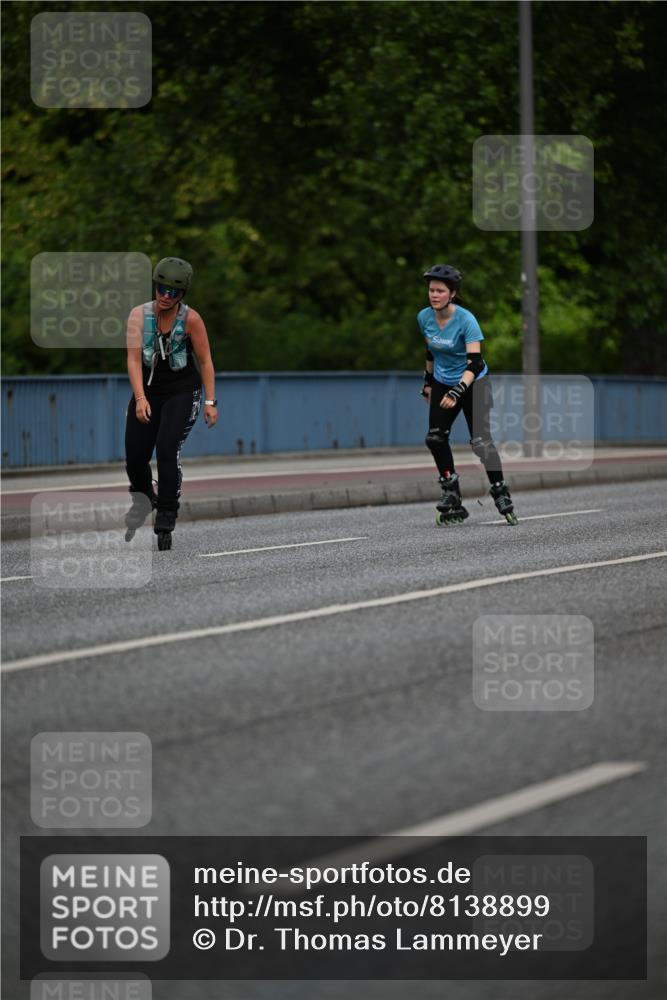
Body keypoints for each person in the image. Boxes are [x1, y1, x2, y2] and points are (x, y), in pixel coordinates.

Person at [124, 256, 218, 549]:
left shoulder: (192, 319)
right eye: (161, 289)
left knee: (166, 448)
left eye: (174, 292)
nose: (166, 296)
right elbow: (133, 359)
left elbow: (204, 360)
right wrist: (140, 398)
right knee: (135, 457)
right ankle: (144, 497)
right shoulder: (139, 316)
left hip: (181, 390)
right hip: (149, 391)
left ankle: (166, 514)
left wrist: (210, 401)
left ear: (183, 295)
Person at [418, 264, 517, 525]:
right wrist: (428, 382)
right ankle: (451, 492)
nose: (434, 295)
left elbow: (475, 363)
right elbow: (431, 352)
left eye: (440, 291)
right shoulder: (424, 318)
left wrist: (458, 390)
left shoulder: (466, 320)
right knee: (435, 438)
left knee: (481, 442)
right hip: (442, 380)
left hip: (474, 382)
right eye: (431, 290)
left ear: (452, 294)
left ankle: (499, 490)